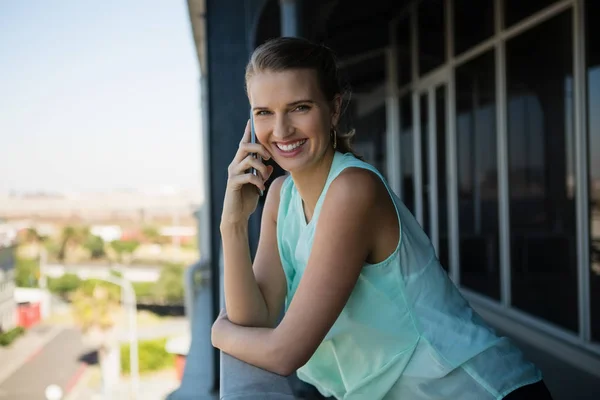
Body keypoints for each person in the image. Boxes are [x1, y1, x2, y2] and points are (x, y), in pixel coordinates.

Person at [210, 36, 553, 400]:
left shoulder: (352, 190)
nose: (280, 131)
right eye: (264, 112)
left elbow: (283, 354)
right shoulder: (281, 196)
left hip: (478, 390)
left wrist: (218, 332)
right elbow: (257, 321)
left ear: (335, 108)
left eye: (299, 107)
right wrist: (232, 225)